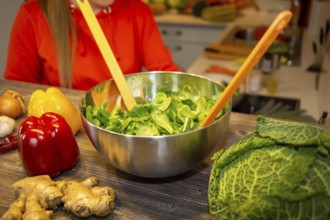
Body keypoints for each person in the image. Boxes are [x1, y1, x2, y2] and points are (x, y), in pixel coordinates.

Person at [4, 0, 179, 90]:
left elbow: (165, 71)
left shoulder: (138, 11)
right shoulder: (33, 14)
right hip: (60, 128)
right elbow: (17, 88)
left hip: (119, 127)